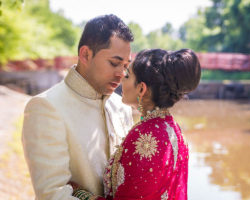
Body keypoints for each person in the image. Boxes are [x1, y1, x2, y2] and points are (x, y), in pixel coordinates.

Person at [22, 14, 134, 200]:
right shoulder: (46, 107)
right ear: (85, 54)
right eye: (114, 63)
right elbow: (51, 194)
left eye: (125, 66)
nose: (121, 74)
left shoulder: (122, 107)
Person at [69, 48, 201, 200]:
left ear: (141, 89)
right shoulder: (174, 129)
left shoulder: (144, 137)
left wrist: (81, 194)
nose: (121, 80)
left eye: (127, 76)